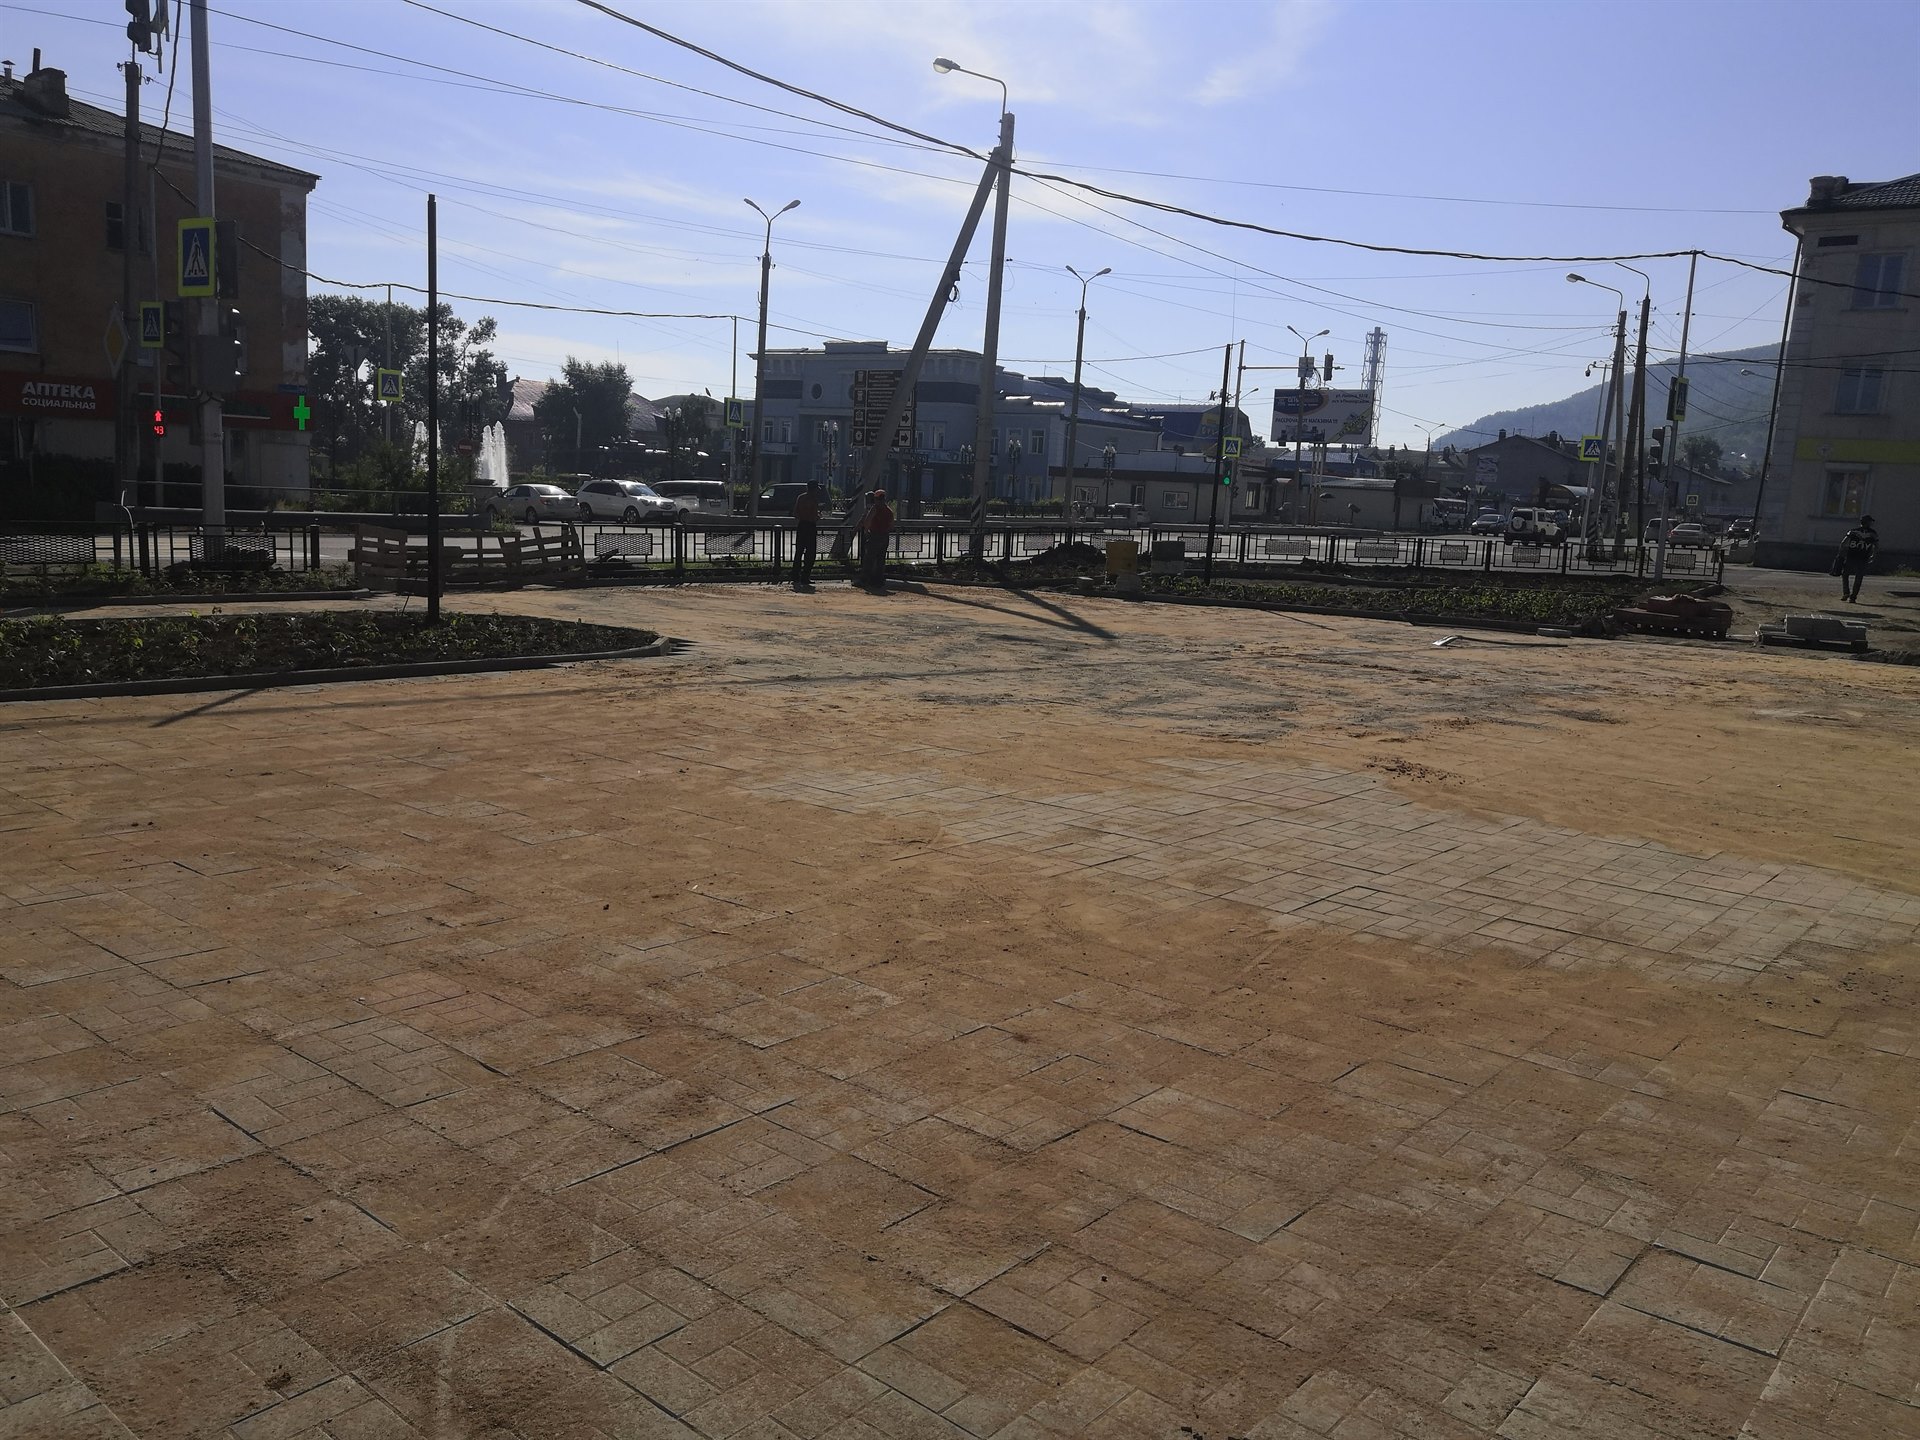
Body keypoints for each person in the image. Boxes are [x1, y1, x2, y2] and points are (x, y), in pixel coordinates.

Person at [1835, 514, 1878, 603]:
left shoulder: (1853, 531)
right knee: (1859, 577)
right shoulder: (1873, 533)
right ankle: (1853, 597)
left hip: (1851, 556)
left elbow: (1843, 543)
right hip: (1863, 557)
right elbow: (1876, 546)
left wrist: (1841, 553)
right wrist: (1873, 555)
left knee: (1845, 574)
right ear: (1868, 523)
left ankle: (1846, 592)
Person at [859, 487, 895, 590]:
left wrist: (866, 531)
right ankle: (878, 580)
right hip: (884, 537)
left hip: (874, 535)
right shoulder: (889, 510)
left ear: (876, 499)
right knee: (881, 559)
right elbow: (892, 526)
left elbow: (867, 521)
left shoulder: (875, 508)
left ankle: (864, 580)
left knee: (869, 559)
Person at [790, 480, 821, 589]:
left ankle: (795, 576)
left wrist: (803, 516)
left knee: (799, 551)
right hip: (810, 526)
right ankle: (805, 576)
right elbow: (814, 516)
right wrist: (817, 516)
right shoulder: (814, 499)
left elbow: (795, 513)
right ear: (814, 489)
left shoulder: (801, 498)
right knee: (810, 553)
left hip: (801, 525)